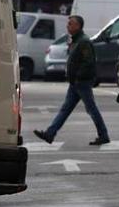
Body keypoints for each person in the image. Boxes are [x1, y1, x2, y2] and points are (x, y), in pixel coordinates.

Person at [34, 16, 110, 145]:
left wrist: (79, 76)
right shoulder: (76, 41)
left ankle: (103, 135)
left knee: (91, 109)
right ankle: (50, 134)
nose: (68, 26)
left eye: (71, 24)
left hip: (82, 82)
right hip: (75, 83)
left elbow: (88, 62)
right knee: (66, 109)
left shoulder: (84, 42)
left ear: (78, 26)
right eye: (68, 24)